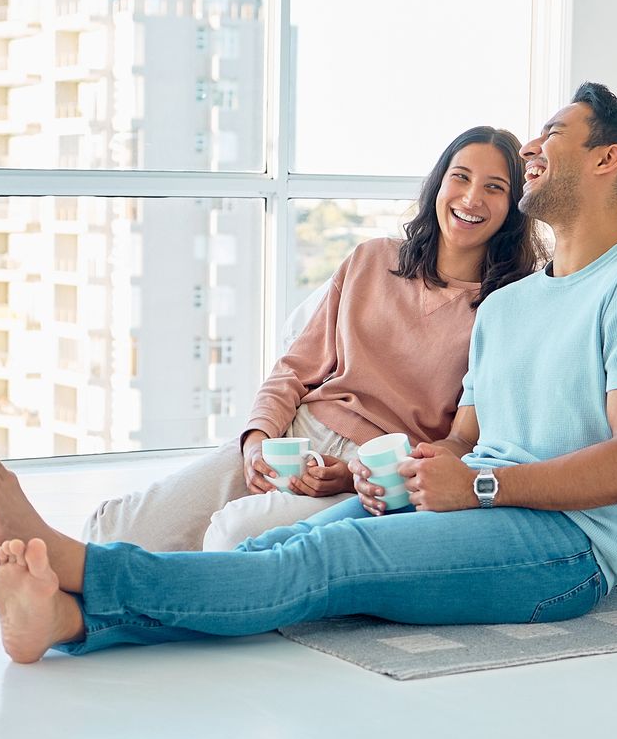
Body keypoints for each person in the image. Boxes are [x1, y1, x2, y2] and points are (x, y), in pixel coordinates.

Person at [0, 83, 617, 663]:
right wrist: (425, 469)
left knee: (328, 555)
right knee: (274, 549)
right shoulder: (512, 307)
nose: (532, 148)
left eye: (552, 133)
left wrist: (478, 483)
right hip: (470, 503)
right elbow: (467, 435)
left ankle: (84, 567)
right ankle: (67, 618)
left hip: (562, 550)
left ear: (606, 159)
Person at [83, 125, 538, 552]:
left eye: (494, 187)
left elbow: (465, 439)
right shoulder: (371, 260)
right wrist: (258, 441)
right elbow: (294, 369)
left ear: (514, 205)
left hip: (371, 470)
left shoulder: (507, 308)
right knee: (114, 529)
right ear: (439, 184)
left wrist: (360, 477)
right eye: (460, 177)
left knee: (231, 540)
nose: (472, 197)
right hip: (295, 436)